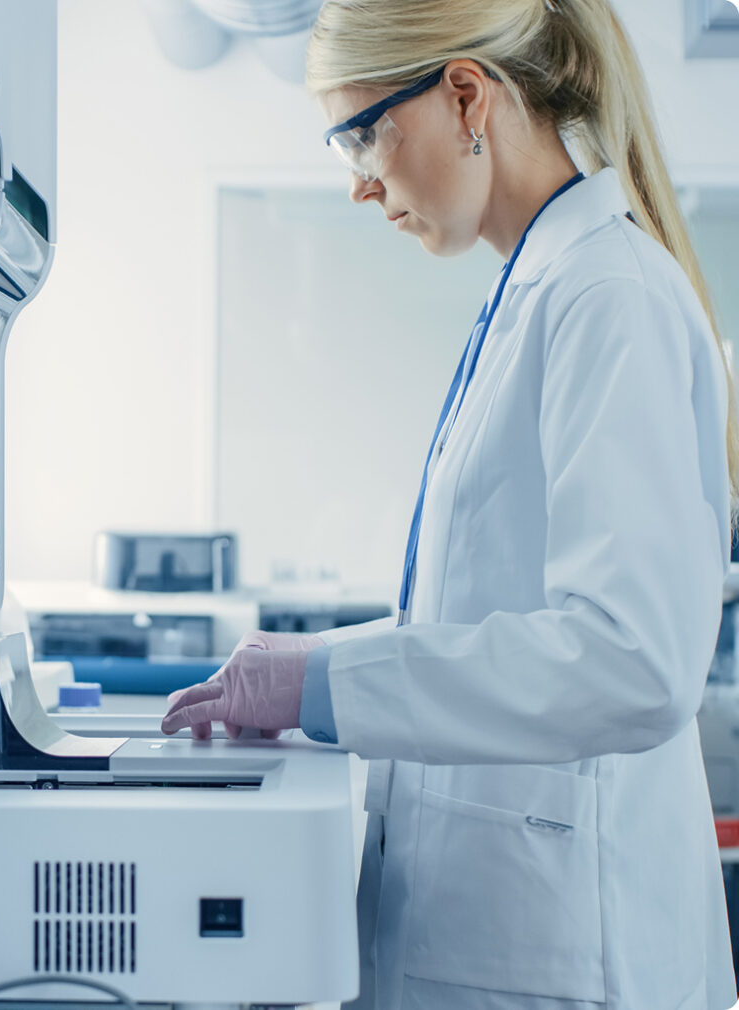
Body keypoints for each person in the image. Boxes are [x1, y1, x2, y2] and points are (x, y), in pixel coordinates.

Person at [161, 0, 739, 1007]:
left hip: (562, 952)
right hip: (499, 930)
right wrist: (311, 680)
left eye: (364, 133)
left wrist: (326, 680)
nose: (357, 182)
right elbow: (470, 630)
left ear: (465, 94)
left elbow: (631, 659)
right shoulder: (533, 292)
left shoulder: (608, 297)